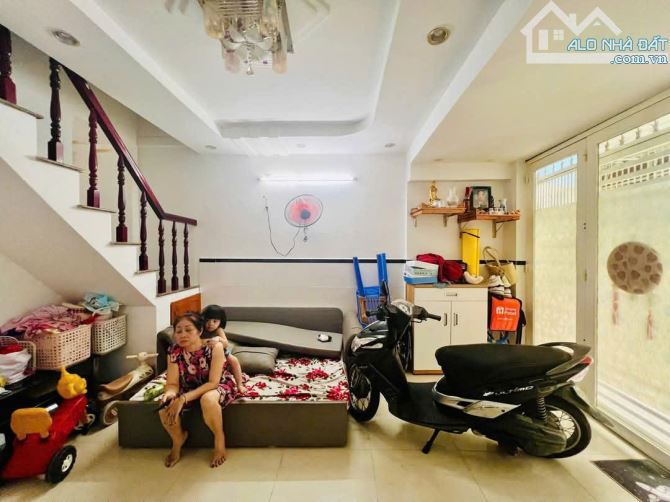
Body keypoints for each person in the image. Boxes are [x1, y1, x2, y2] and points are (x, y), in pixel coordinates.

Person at [159, 312, 238, 468]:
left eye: (188, 330)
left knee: (207, 399)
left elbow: (213, 383)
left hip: (218, 384)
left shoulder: (214, 347)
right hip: (189, 386)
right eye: (178, 331)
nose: (183, 335)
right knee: (164, 406)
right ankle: (178, 440)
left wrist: (183, 398)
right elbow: (173, 383)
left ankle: (219, 438)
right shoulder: (174, 351)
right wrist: (169, 394)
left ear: (200, 331)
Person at [201, 305, 247, 395]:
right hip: (203, 354)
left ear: (221, 321)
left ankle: (239, 385)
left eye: (215, 321)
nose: (210, 324)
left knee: (234, 360)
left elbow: (226, 344)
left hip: (221, 353)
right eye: (207, 320)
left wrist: (218, 338)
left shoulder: (218, 330)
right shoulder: (201, 329)